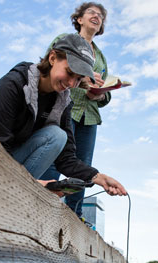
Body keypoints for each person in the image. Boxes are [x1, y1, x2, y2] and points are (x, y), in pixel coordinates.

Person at [0, 33, 126, 198]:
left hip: (10, 163)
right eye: (69, 72)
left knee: (57, 136)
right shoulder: (14, 84)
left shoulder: (63, 101)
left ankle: (16, 194)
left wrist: (99, 177)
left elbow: (65, 157)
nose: (71, 83)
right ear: (53, 58)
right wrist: (38, 184)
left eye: (78, 79)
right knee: (55, 135)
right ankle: (22, 188)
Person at [41, 3, 111, 219]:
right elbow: (47, 67)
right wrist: (80, 80)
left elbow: (106, 94)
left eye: (100, 16)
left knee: (83, 166)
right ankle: (47, 204)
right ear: (79, 19)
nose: (96, 17)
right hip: (64, 107)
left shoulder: (101, 59)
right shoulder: (65, 40)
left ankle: (75, 215)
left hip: (88, 116)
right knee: (55, 156)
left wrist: (99, 94)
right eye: (91, 12)